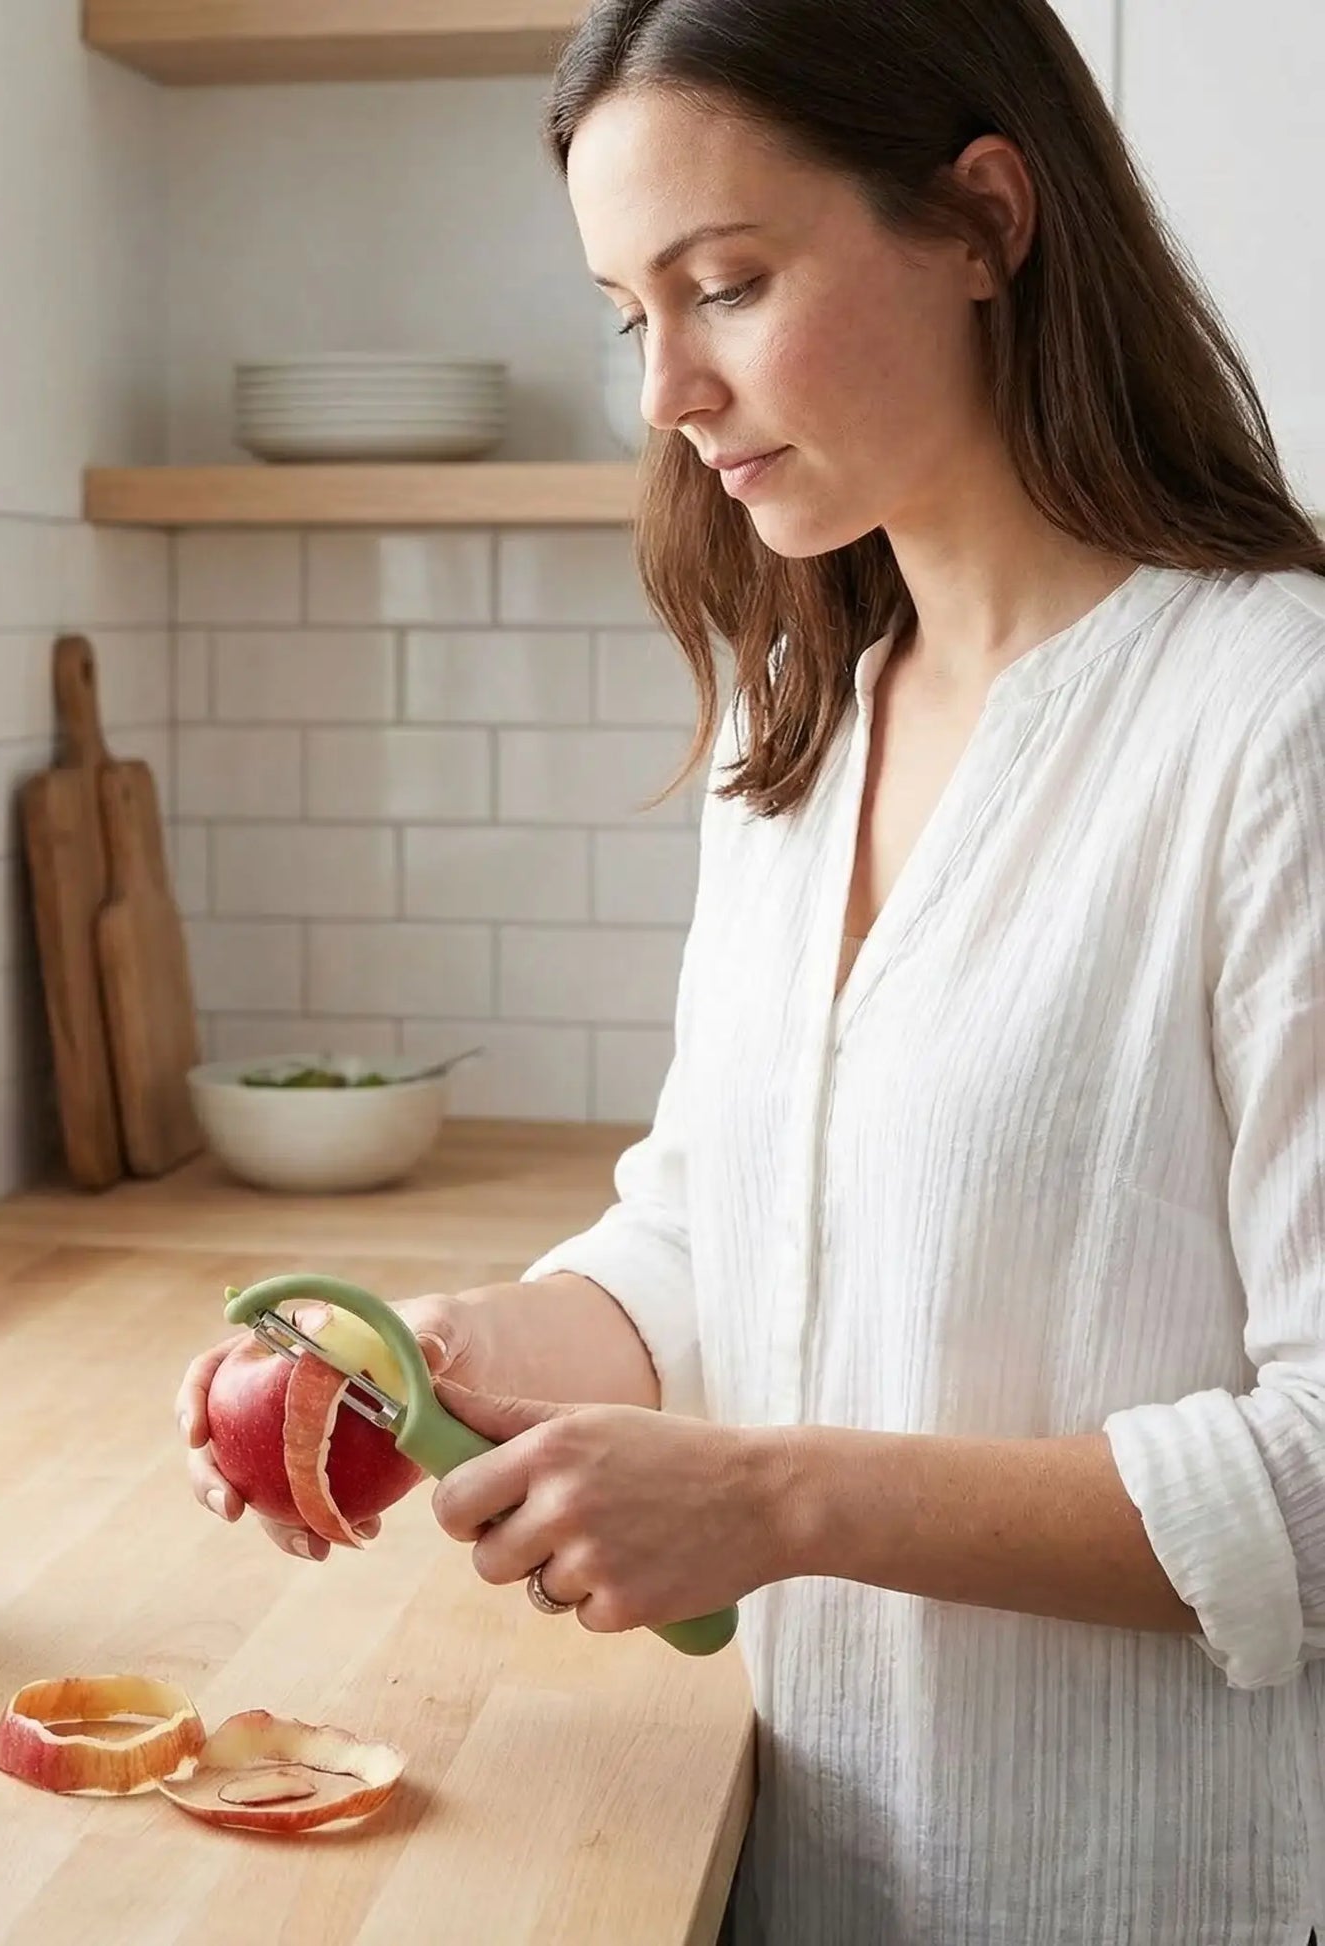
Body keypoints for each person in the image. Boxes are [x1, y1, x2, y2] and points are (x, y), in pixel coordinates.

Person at [177, 0, 1325, 1938]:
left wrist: (775, 1499)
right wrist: (450, 1361)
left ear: (980, 221)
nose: (664, 395)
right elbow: (720, 1236)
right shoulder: (796, 734)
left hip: (1155, 1889)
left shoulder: (1266, 721)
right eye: (631, 314)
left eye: (722, 285)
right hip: (827, 1860)